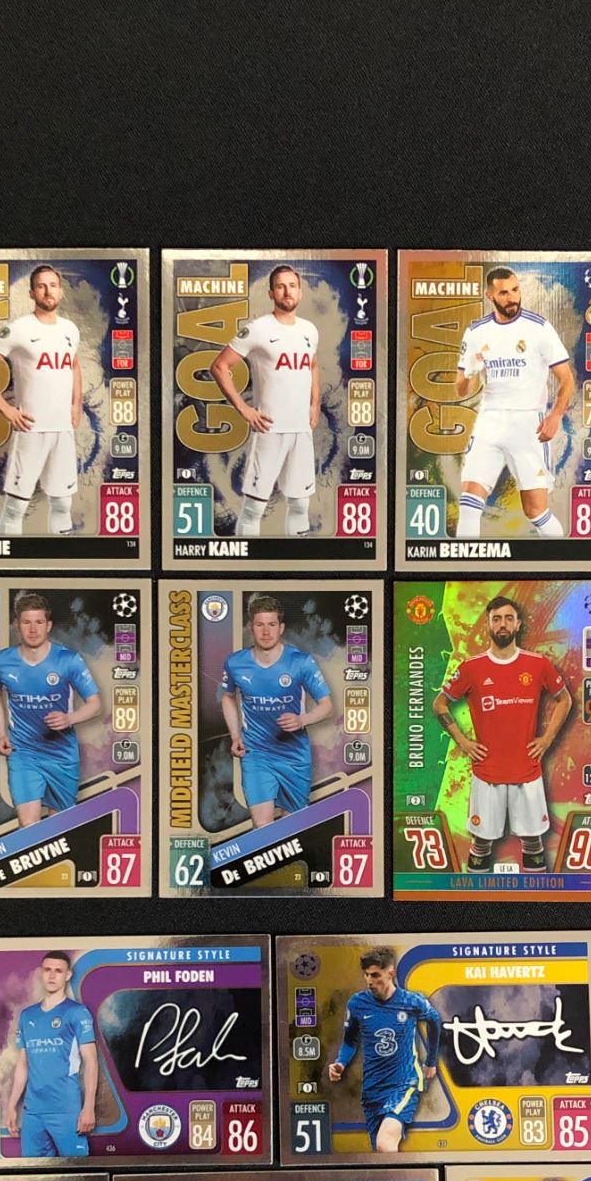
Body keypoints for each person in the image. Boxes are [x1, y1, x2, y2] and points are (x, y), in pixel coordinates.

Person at [433, 595, 571, 871]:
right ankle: (475, 899)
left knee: (533, 843)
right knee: (481, 844)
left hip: (527, 769)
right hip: (487, 772)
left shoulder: (537, 664)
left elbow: (564, 699)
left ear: (518, 624)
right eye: (496, 619)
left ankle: (537, 898)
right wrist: (463, 742)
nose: (503, 624)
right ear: (488, 625)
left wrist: (547, 739)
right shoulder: (471, 668)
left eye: (509, 618)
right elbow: (439, 704)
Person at [454, 266, 574, 540]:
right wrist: (471, 371)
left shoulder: (539, 328)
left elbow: (566, 378)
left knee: (536, 512)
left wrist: (555, 416)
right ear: (490, 296)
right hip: (490, 422)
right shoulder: (476, 332)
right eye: (504, 293)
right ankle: (464, 565)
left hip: (528, 425)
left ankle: (565, 558)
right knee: (469, 505)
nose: (512, 298)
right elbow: (461, 389)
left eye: (515, 290)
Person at [0, 264, 83, 537]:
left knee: (62, 503)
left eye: (53, 285)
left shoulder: (70, 329)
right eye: (41, 286)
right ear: (32, 293)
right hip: (31, 429)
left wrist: (76, 403)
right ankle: (12, 559)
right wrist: (5, 409)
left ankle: (65, 559)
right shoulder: (19, 329)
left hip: (63, 430)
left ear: (61, 291)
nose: (48, 291)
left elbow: (74, 364)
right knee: (16, 508)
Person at [210, 265, 320, 537]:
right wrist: (244, 409)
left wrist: (314, 403)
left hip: (301, 431)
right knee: (254, 509)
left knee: (300, 505)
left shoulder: (309, 330)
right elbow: (220, 366)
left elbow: (312, 365)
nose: (287, 291)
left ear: (300, 292)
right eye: (280, 286)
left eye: (292, 286)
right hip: (270, 429)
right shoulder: (258, 329)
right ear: (271, 293)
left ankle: (299, 562)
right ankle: (249, 563)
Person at [0, 592, 102, 828]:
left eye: (39, 622)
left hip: (61, 754)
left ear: (48, 626)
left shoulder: (69, 660)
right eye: (26, 622)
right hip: (23, 752)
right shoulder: (2, 661)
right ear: (17, 625)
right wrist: (2, 734)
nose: (33, 629)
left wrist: (70, 718)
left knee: (60, 826)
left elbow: (95, 704)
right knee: (29, 826)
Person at [219, 594, 333, 826]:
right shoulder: (235, 663)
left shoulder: (301, 662)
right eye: (259, 625)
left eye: (271, 624)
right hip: (256, 754)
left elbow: (327, 705)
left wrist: (302, 720)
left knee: (291, 829)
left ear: (281, 628)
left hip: (294, 755)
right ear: (251, 627)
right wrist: (235, 736)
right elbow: (227, 697)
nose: (266, 631)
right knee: (263, 828)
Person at [327, 946, 442, 1153]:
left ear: (390, 973)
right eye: (366, 975)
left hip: (404, 1084)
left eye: (375, 975)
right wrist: (340, 1063)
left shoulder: (411, 1002)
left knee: (384, 1143)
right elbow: (350, 1042)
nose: (369, 981)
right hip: (372, 1090)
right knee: (382, 1155)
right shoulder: (357, 1004)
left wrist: (431, 1061)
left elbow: (434, 1020)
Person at [3, 951, 99, 1158]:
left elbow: (91, 1061)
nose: (52, 975)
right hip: (32, 1113)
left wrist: (88, 1106)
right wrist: (11, 1105)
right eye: (47, 970)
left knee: (76, 1173)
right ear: (41, 973)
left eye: (58, 971)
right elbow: (23, 1064)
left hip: (66, 1110)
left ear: (68, 975)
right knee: (35, 1174)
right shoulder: (27, 1015)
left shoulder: (77, 1012)